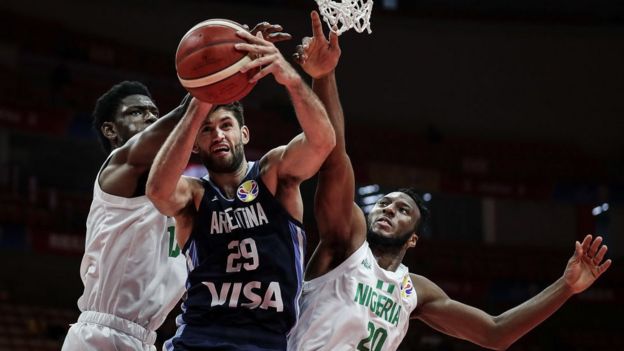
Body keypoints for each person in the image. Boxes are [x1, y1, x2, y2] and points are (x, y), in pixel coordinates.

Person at [287, 11, 613, 351]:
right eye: (384, 203)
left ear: (413, 239)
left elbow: (495, 332)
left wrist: (566, 286)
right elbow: (335, 160)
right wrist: (324, 77)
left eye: (402, 210)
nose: (388, 209)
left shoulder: (416, 290)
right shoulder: (346, 243)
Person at [62, 23, 292, 351]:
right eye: (136, 113)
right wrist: (226, 64)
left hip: (144, 339)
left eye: (153, 113)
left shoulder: (186, 195)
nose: (149, 119)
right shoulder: (120, 169)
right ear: (111, 130)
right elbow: (186, 113)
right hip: (100, 334)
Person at [146, 27, 336, 350]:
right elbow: (158, 191)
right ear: (195, 144)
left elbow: (323, 142)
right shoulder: (194, 196)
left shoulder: (273, 174)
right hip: (197, 340)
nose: (217, 135)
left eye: (226, 126)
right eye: (206, 130)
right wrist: (203, 96)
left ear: (244, 135)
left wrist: (287, 75)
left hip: (265, 341)